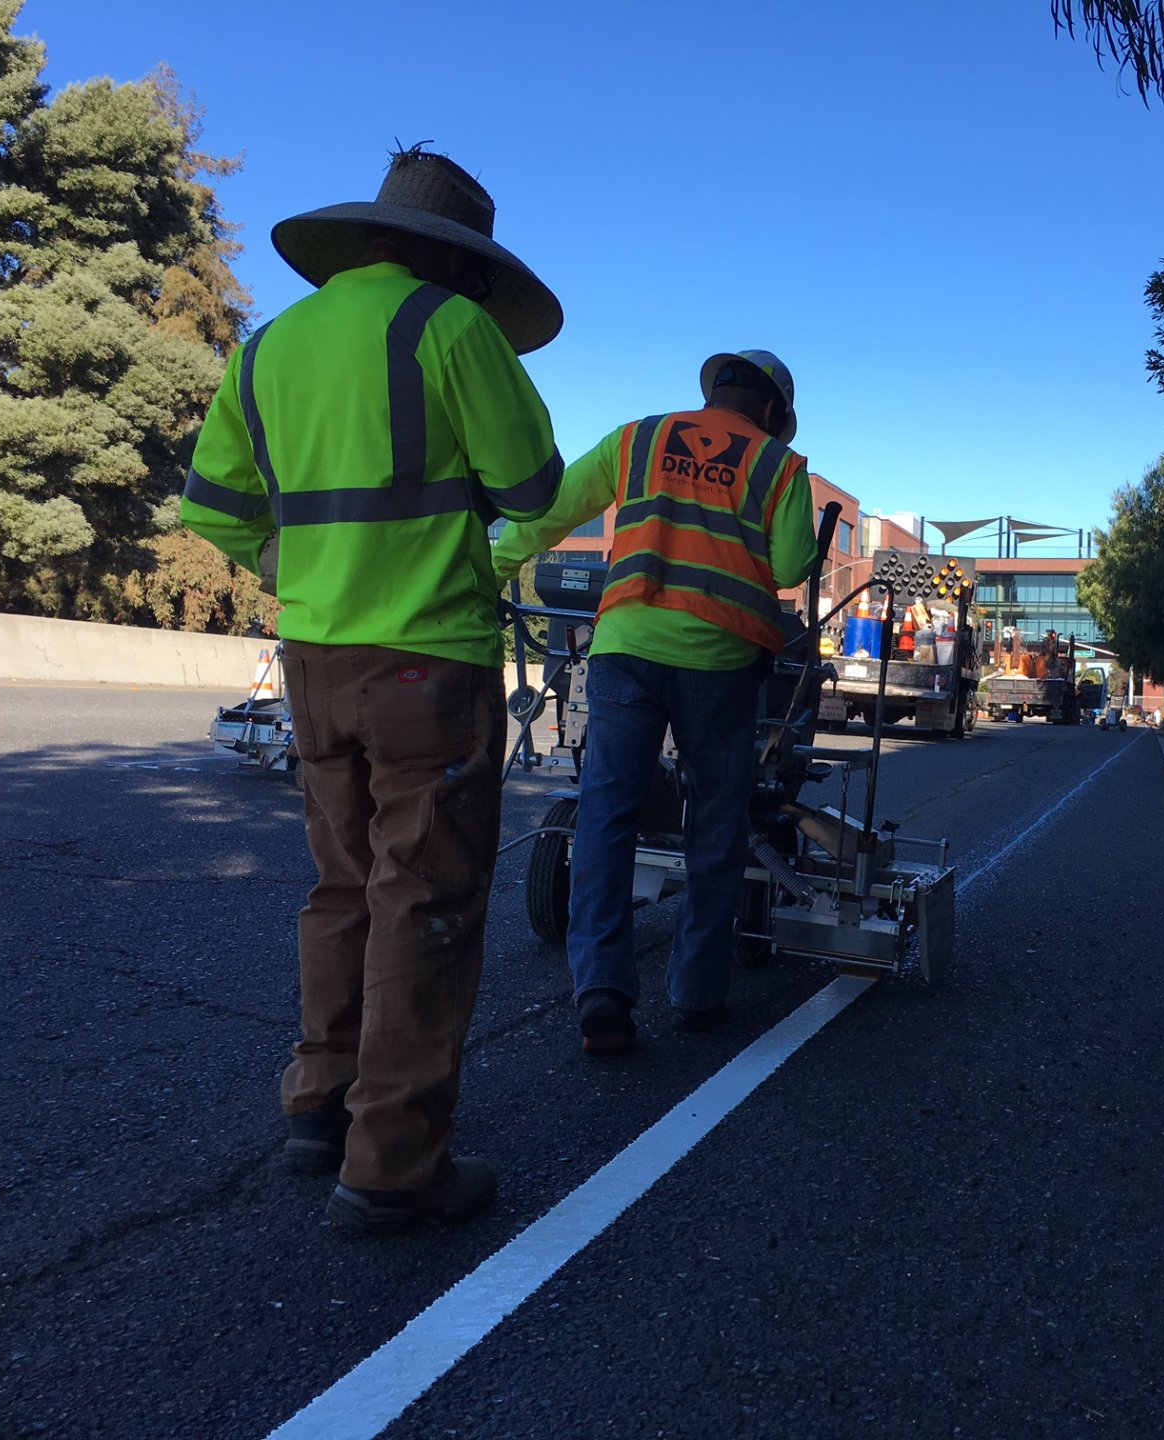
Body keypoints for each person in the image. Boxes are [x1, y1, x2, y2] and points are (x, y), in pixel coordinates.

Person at [180, 147, 564, 1232]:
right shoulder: (449, 330)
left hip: (314, 660)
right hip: (427, 661)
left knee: (342, 884)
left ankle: (317, 1105)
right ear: (462, 262)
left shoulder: (269, 347)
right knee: (425, 895)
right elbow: (531, 490)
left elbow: (209, 510)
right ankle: (393, 1162)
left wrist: (300, 571)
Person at [493, 351, 818, 1054]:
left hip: (626, 647)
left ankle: (602, 992)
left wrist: (489, 566)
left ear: (714, 392)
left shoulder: (636, 438)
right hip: (722, 661)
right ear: (771, 412)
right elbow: (791, 567)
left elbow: (551, 510)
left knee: (606, 816)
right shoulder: (779, 467)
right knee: (717, 823)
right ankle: (698, 995)